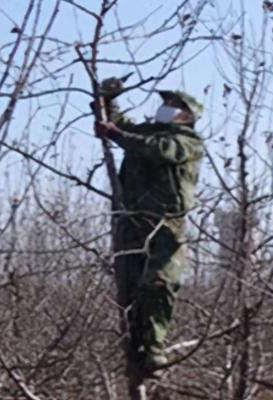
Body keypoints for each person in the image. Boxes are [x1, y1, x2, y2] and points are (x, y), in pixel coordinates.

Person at [94, 78, 204, 378]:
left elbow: (161, 150)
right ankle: (136, 354)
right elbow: (115, 124)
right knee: (129, 289)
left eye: (174, 105)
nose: (166, 109)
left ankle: (154, 349)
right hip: (132, 221)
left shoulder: (188, 141)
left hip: (166, 224)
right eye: (166, 103)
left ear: (187, 115)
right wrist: (106, 99)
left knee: (158, 283)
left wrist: (118, 135)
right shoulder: (146, 132)